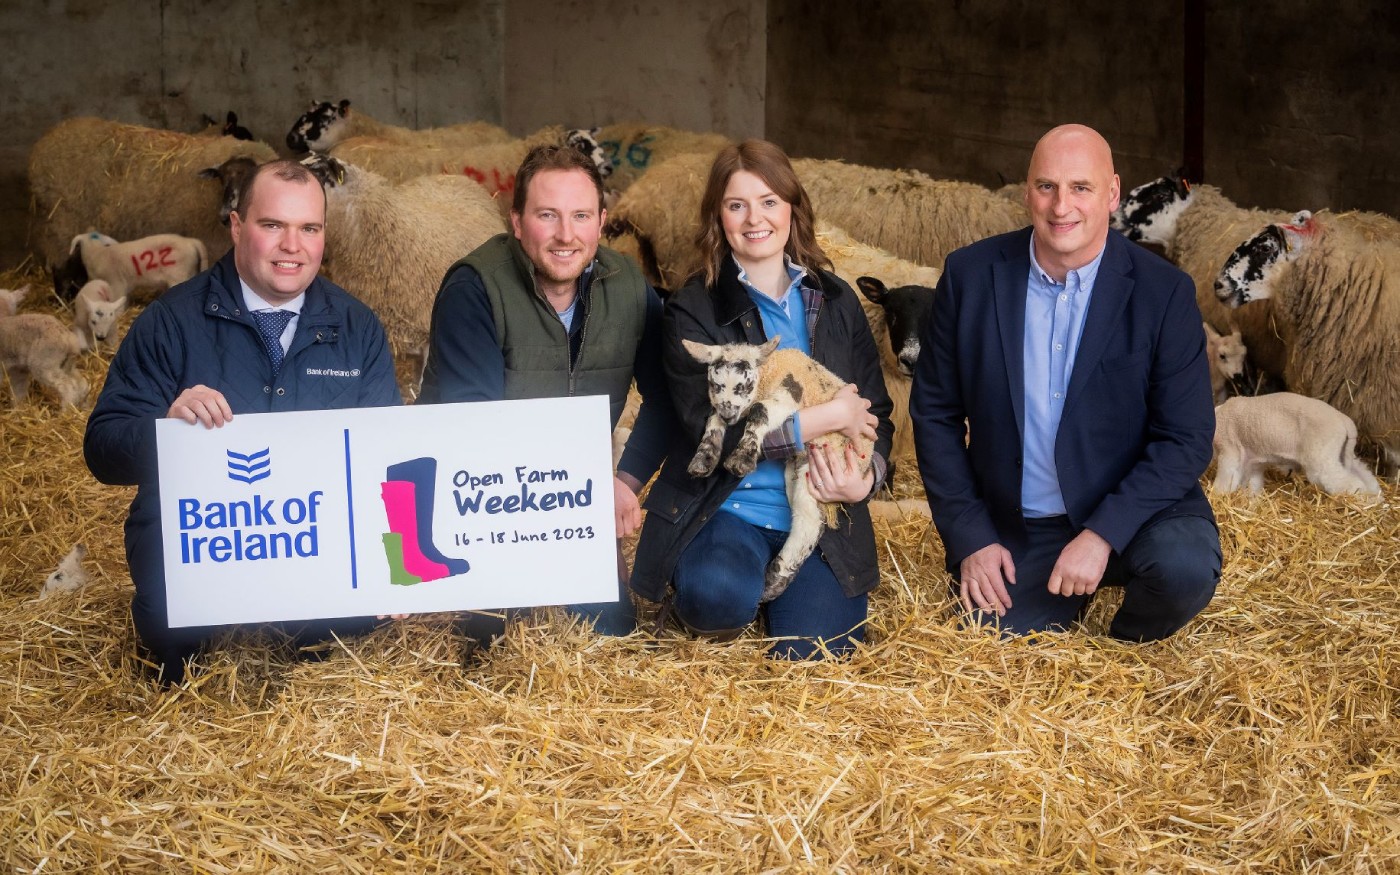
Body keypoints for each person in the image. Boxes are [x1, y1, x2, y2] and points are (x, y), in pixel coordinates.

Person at [85, 159, 403, 684]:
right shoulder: (171, 320)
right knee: (169, 645)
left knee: (347, 633)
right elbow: (103, 449)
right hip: (202, 542)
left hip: (313, 536)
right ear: (236, 226)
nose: (292, 246)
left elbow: (385, 456)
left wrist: (396, 566)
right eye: (272, 225)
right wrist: (167, 427)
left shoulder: (357, 327)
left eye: (309, 229)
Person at [910, 123, 1221, 640]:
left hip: (1136, 512)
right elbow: (935, 416)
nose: (1061, 207)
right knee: (990, 636)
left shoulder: (1163, 293)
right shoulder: (970, 276)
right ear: (1026, 190)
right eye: (1046, 186)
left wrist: (1102, 534)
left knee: (1181, 570)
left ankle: (1123, 644)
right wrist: (971, 538)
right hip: (1025, 524)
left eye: (1081, 188)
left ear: (1114, 193)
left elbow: (1186, 439)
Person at [631, 139, 894, 660]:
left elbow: (878, 413)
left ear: (792, 209)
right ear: (718, 217)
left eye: (769, 201)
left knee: (821, 648)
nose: (756, 219)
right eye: (737, 205)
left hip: (817, 508)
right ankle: (734, 584)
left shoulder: (837, 301)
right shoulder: (692, 308)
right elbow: (698, 424)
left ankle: (787, 591)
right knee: (716, 599)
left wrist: (866, 476)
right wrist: (822, 418)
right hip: (724, 507)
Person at [418, 144, 672, 637]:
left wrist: (625, 480)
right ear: (516, 222)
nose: (565, 235)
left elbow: (666, 399)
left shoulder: (629, 289)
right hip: (483, 502)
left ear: (602, 221)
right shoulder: (474, 287)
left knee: (612, 631)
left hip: (576, 499)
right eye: (547, 215)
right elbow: (472, 426)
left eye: (580, 216)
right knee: (493, 635)